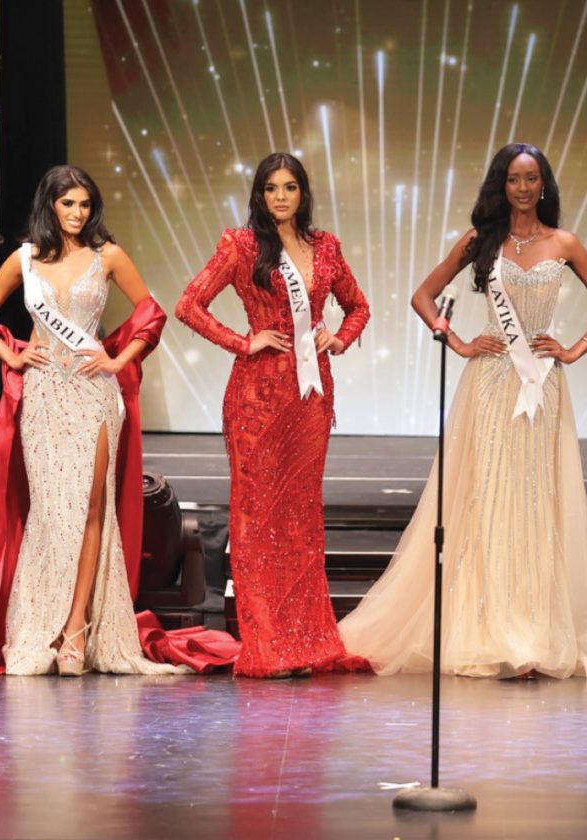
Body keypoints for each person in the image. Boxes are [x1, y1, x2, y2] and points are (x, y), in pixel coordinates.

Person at [338, 142, 587, 679]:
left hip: (541, 385)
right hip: (490, 382)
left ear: (543, 184)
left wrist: (573, 350)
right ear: (502, 184)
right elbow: (424, 296)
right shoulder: (482, 240)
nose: (523, 187)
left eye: (531, 178)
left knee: (535, 499)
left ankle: (534, 628)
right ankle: (485, 626)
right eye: (513, 178)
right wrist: (455, 341)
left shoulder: (564, 242)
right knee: (487, 496)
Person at [0, 165, 235, 675]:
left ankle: (75, 631)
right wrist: (11, 354)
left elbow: (151, 312)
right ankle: (37, 627)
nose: (77, 213)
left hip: (94, 395)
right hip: (44, 394)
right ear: (50, 205)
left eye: (85, 204)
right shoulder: (24, 259)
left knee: (92, 508)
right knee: (50, 513)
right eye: (68, 203)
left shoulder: (107, 255)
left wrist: (118, 359)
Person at [176, 152, 370, 678]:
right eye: (271, 189)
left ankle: (303, 642)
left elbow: (358, 306)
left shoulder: (326, 247)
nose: (280, 197)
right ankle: (267, 646)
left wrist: (340, 337)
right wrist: (244, 342)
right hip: (257, 400)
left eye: (289, 188)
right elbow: (189, 305)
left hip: (310, 399)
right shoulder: (241, 246)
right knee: (257, 522)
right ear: (259, 195)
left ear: (303, 193)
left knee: (301, 522)